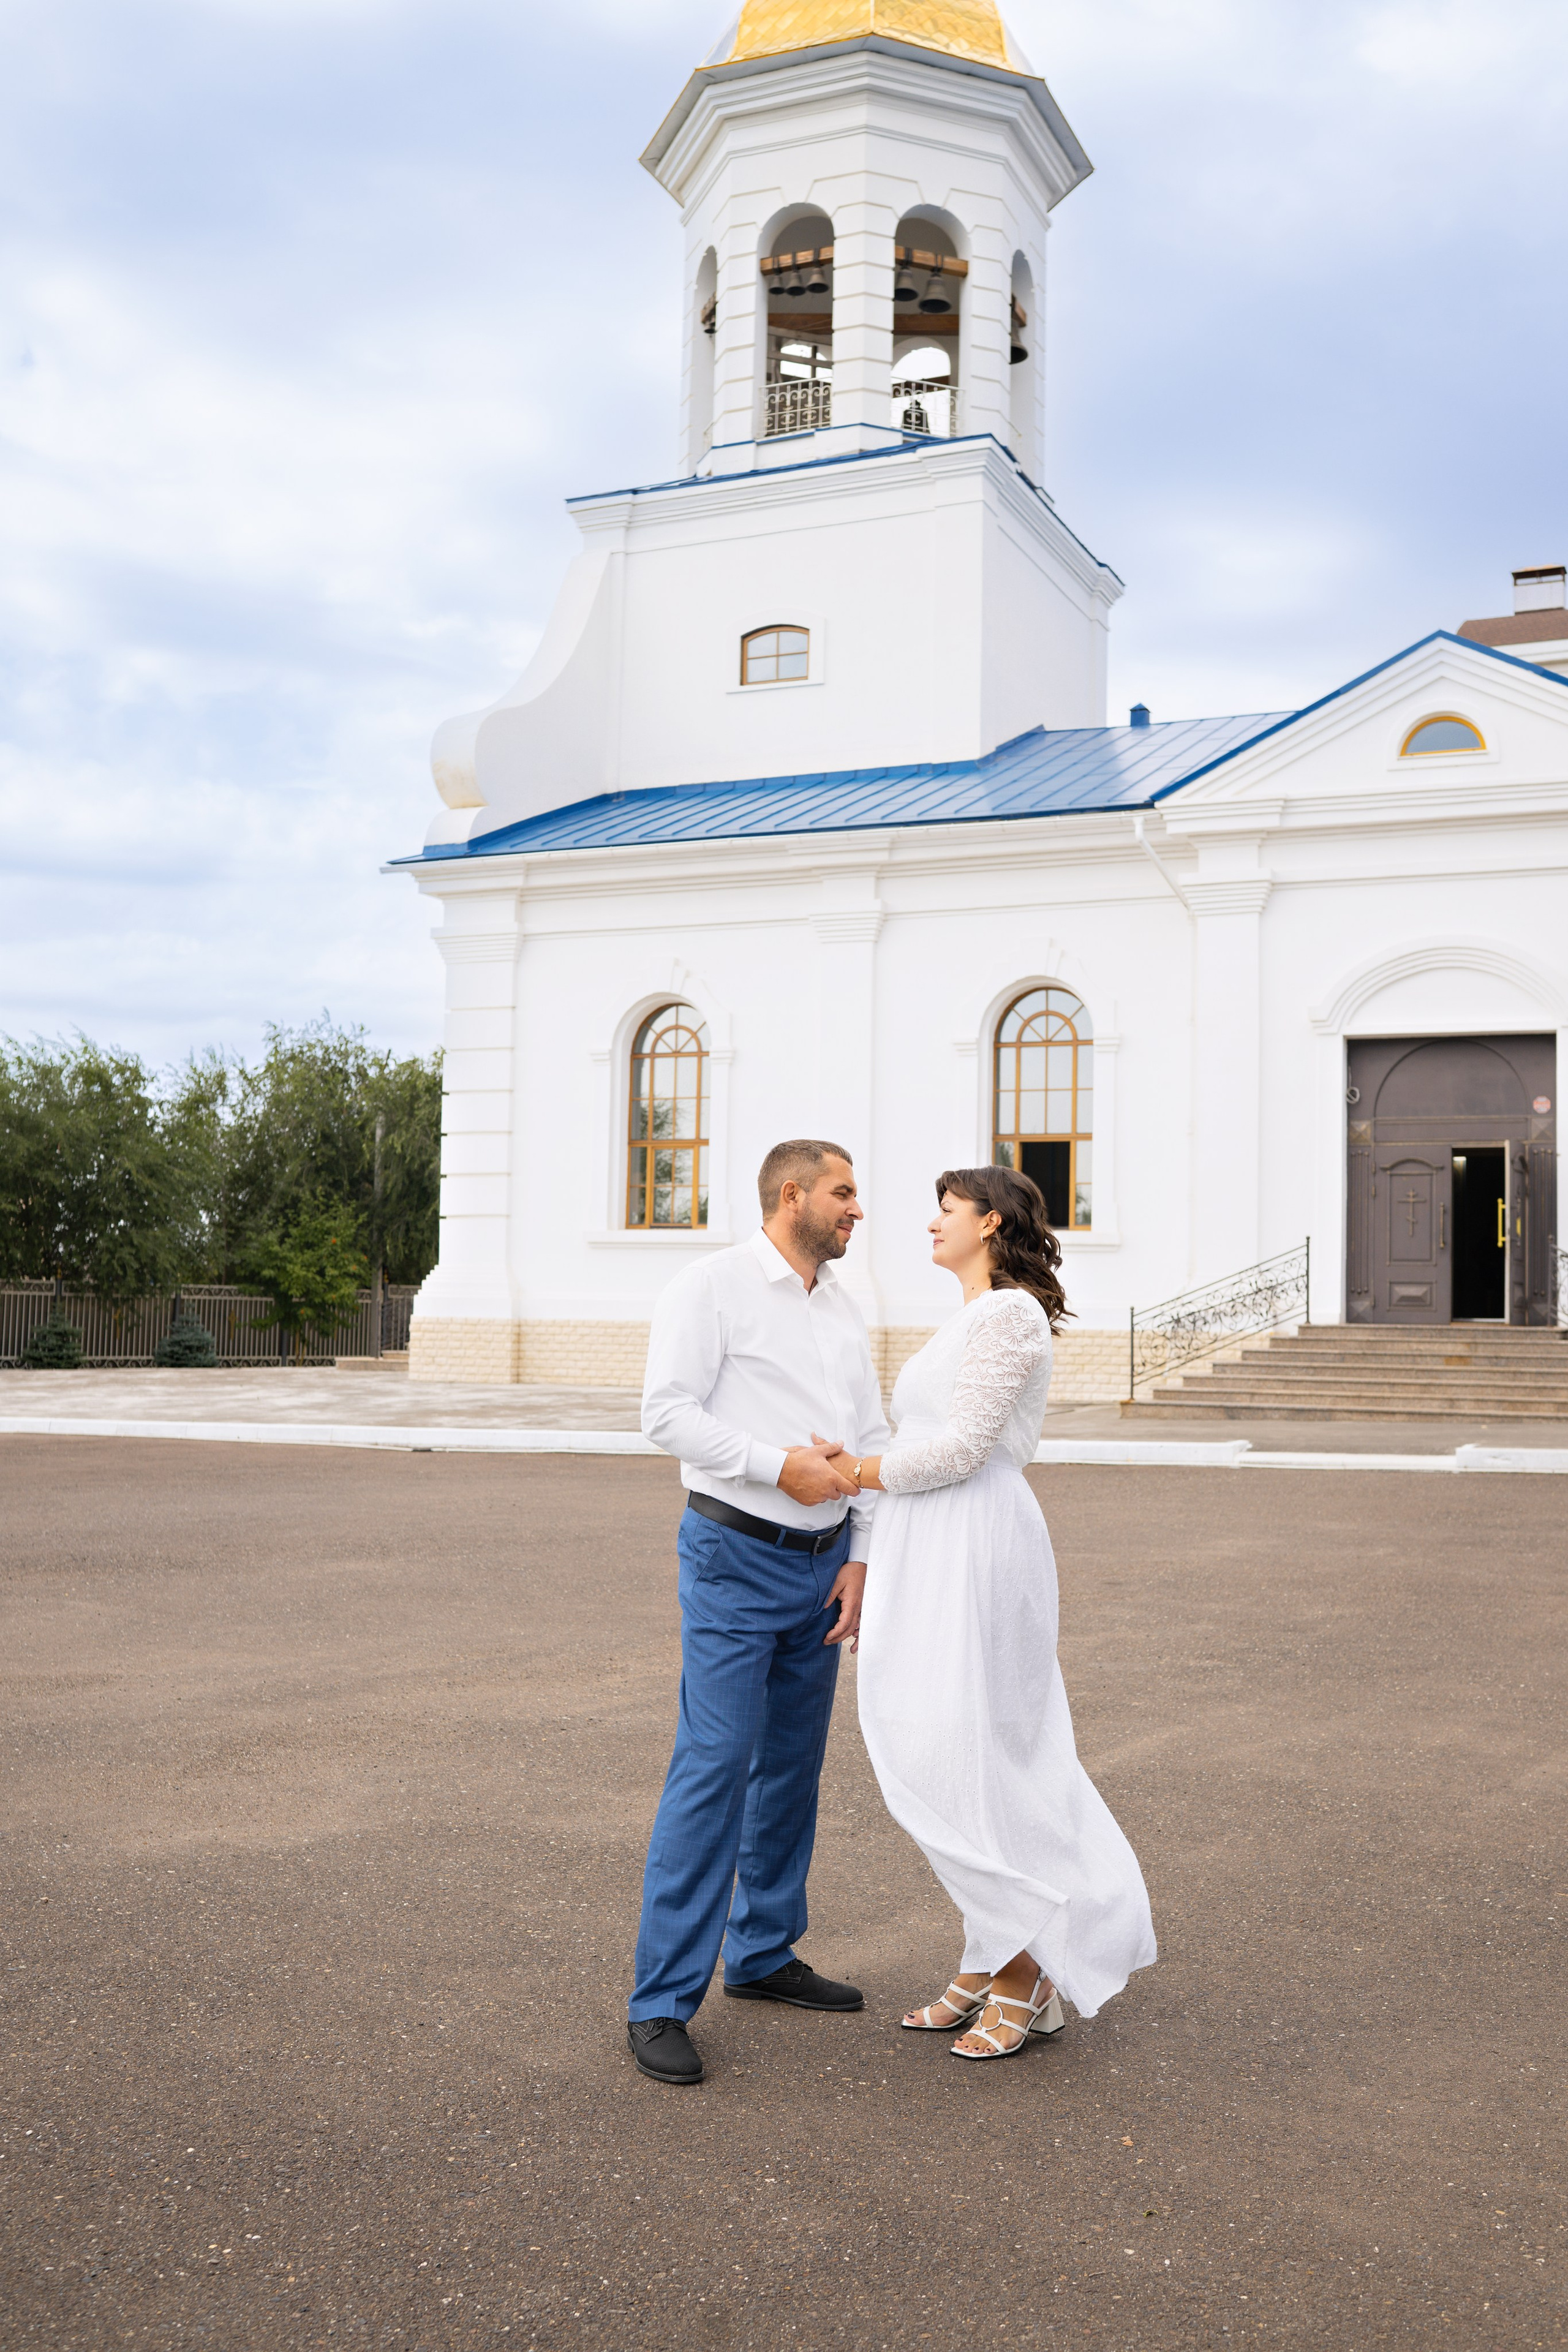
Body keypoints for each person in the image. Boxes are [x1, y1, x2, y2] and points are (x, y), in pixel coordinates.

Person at [847, 1166, 1156, 2059]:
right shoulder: (971, 1319)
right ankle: (995, 1949)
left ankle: (1027, 1969)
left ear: (989, 1224)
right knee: (939, 1744)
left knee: (978, 1749)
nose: (929, 1226)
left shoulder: (1010, 1315)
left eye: (944, 1212)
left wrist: (858, 1472)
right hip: (929, 1544)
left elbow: (962, 1448)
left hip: (975, 1545)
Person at [627, 1139, 892, 2087]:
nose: (858, 1209)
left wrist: (860, 1556)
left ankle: (765, 1953)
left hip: (820, 1570)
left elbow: (868, 1440)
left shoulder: (846, 1310)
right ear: (792, 1196)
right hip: (735, 1557)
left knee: (790, 1768)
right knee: (714, 1766)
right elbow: (664, 1412)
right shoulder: (711, 1288)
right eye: (843, 1193)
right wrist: (773, 1463)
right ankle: (660, 2001)